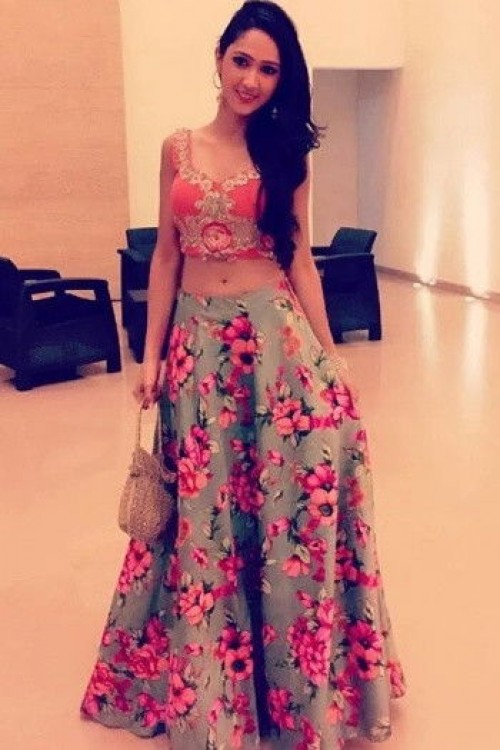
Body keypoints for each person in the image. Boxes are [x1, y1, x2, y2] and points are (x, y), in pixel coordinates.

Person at [80, 2, 406, 748]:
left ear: (281, 79)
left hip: (275, 348)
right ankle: (214, 688)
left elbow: (299, 260)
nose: (252, 80)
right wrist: (151, 354)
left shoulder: (287, 155)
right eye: (242, 61)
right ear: (220, 57)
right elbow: (166, 256)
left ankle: (295, 687)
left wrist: (331, 356)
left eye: (269, 69)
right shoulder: (178, 148)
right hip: (198, 354)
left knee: (285, 514)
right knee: (208, 518)